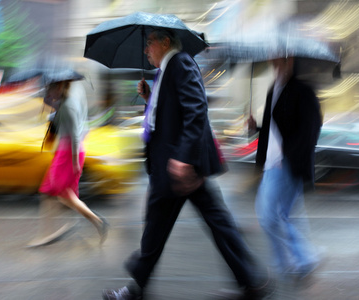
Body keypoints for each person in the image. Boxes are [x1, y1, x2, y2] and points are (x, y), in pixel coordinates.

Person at [102, 29, 272, 300]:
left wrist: (182, 158)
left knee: (165, 228)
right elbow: (173, 112)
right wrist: (149, 97)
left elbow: (196, 108)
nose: (146, 50)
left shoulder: (180, 63)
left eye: (149, 43)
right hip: (173, 164)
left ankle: (135, 290)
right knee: (208, 223)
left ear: (165, 42)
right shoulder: (166, 70)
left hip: (178, 165)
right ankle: (251, 282)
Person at [248, 56, 322, 282]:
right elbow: (274, 127)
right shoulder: (274, 89)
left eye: (280, 62)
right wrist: (255, 127)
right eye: (273, 62)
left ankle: (297, 259)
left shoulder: (302, 90)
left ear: (290, 62)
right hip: (272, 163)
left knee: (271, 215)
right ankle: (298, 260)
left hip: (286, 164)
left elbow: (312, 126)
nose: (275, 66)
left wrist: (291, 156)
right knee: (282, 215)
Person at [27, 78, 109, 247]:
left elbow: (75, 135)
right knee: (58, 194)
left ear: (59, 87)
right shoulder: (63, 102)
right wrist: (48, 103)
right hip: (65, 153)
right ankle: (95, 222)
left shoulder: (69, 105)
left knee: (55, 193)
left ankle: (49, 233)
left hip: (68, 154)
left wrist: (74, 163)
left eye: (50, 89)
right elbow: (60, 122)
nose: (48, 93)